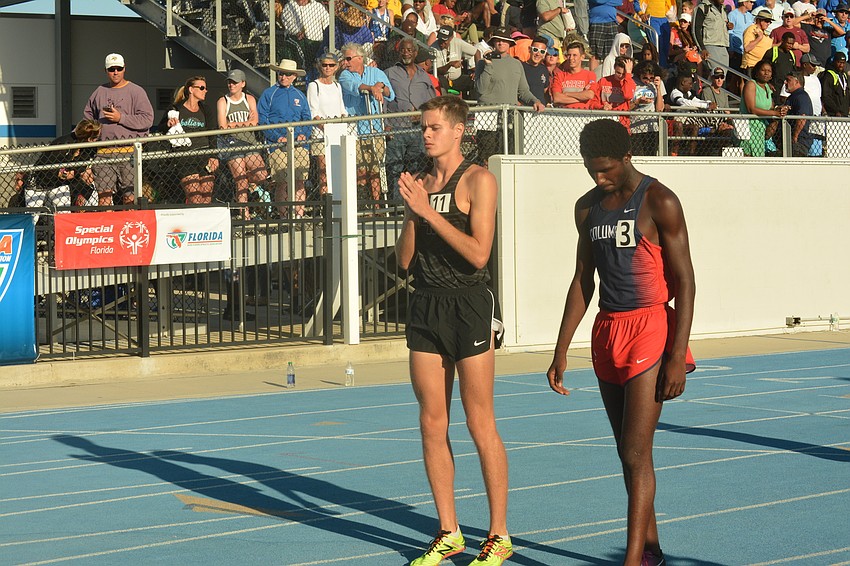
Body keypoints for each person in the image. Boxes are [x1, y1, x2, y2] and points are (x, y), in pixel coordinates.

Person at [547, 118, 696, 566]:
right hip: (607, 330)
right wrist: (560, 348)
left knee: (636, 451)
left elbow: (686, 282)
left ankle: (632, 559)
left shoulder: (659, 200)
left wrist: (676, 355)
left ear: (628, 156)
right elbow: (582, 280)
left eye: (607, 169)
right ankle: (651, 550)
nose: (599, 177)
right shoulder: (586, 208)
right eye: (591, 169)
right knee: (626, 454)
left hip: (650, 327)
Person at [395, 95, 511, 566]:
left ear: (458, 131)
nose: (426, 134)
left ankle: (499, 534)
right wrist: (411, 213)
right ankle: (449, 531)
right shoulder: (422, 184)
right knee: (430, 423)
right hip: (425, 304)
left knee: (479, 421)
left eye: (435, 127)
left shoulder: (479, 180)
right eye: (424, 127)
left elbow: (479, 254)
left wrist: (429, 213)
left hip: (468, 303)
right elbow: (403, 262)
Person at [83, 53, 154, 206]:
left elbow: (147, 119)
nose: (115, 72)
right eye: (111, 69)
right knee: (104, 199)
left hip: (129, 152)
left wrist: (120, 118)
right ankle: (109, 228)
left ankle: (128, 228)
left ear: (124, 69)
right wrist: (92, 133)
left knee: (130, 199)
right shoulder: (99, 92)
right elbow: (87, 118)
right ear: (106, 71)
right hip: (103, 153)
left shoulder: (136, 91)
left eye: (119, 68)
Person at [474, 27, 545, 163]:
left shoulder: (517, 64)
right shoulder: (482, 63)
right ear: (493, 43)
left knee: (507, 158)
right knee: (486, 160)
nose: (501, 43)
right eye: (498, 40)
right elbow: (480, 90)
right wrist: (488, 65)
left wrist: (535, 101)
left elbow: (523, 91)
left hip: (509, 117)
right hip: (487, 115)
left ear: (510, 44)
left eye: (504, 41)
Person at [339, 42, 396, 204]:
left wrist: (381, 86)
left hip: (375, 127)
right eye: (345, 59)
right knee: (360, 169)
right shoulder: (345, 75)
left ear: (360, 58)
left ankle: (377, 205)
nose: (346, 62)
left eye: (349, 58)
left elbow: (390, 93)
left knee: (376, 167)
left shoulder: (376, 72)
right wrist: (372, 88)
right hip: (355, 129)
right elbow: (354, 87)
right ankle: (363, 205)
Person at [258, 59, 312, 219]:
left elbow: (307, 118)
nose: (283, 77)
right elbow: (263, 120)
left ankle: (299, 216)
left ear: (294, 76)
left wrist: (305, 134)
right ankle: (284, 216)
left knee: (300, 180)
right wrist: (277, 138)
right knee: (282, 182)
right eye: (281, 73)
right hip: (278, 145)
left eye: (288, 74)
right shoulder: (269, 93)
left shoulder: (299, 95)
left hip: (300, 145)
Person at [385, 39, 438, 198]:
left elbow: (431, 102)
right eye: (403, 50)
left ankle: (414, 201)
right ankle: (396, 206)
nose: (406, 53)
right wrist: (386, 124)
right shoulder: (389, 73)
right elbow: (383, 102)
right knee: (395, 167)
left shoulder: (424, 76)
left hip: (418, 128)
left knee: (417, 167)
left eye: (409, 50)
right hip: (397, 127)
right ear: (398, 51)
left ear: (415, 53)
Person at [156, 76, 218, 204]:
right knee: (195, 198)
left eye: (205, 88)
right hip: (185, 156)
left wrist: (213, 156)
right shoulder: (176, 108)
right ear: (191, 89)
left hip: (204, 154)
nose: (205, 91)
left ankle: (203, 224)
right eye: (201, 88)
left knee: (206, 198)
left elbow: (213, 134)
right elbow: (160, 128)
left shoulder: (206, 109)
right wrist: (168, 124)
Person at [217, 69, 268, 220]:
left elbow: (254, 122)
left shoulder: (249, 98)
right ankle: (245, 216)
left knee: (262, 174)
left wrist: (234, 124)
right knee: (240, 181)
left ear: (243, 84)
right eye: (229, 82)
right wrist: (244, 123)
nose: (231, 85)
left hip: (249, 141)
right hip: (231, 143)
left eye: (235, 82)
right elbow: (222, 126)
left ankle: (250, 187)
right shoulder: (223, 101)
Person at [25, 119, 101, 215]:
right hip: (39, 182)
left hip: (60, 184)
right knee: (33, 216)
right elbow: (46, 168)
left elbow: (81, 165)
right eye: (96, 138)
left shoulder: (90, 148)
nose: (98, 140)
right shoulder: (63, 143)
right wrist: (64, 175)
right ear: (89, 138)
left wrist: (75, 172)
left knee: (63, 213)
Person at [306, 51, 348, 196]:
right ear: (320, 66)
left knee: (339, 170)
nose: (328, 68)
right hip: (320, 135)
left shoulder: (337, 86)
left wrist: (340, 125)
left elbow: (343, 109)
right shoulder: (314, 86)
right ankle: (326, 206)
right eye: (324, 65)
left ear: (336, 67)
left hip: (337, 134)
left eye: (331, 65)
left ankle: (339, 200)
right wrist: (327, 128)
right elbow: (313, 113)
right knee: (324, 172)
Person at [738, 59, 787, 156]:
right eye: (763, 70)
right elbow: (751, 109)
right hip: (748, 128)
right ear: (756, 73)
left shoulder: (768, 88)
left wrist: (779, 109)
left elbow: (770, 108)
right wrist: (774, 113)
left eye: (769, 71)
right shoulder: (751, 85)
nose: (766, 73)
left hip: (761, 128)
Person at [630, 61, 666, 155]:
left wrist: (658, 88)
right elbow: (626, 107)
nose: (648, 81)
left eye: (651, 78)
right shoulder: (632, 82)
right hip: (635, 126)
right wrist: (637, 102)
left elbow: (659, 109)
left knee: (651, 155)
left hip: (652, 127)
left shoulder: (656, 84)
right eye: (645, 77)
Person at [551, 41, 598, 108]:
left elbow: (590, 95)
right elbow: (557, 98)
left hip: (583, 114)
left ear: (582, 57)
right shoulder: (560, 75)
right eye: (569, 55)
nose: (571, 58)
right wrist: (582, 98)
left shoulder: (590, 75)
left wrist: (567, 94)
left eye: (574, 55)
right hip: (564, 114)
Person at [693, 0, 733, 69]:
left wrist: (729, 25)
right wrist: (702, 48)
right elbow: (695, 30)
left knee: (723, 76)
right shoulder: (703, 7)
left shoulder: (723, 9)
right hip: (710, 45)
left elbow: (723, 23)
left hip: (723, 45)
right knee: (716, 73)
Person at [783, 70, 815, 154]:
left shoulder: (801, 96)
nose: (785, 82)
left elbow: (802, 117)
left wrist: (795, 136)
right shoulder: (792, 97)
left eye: (788, 80)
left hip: (799, 141)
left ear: (797, 81)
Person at [588, 0, 623, 70]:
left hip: (612, 22)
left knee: (611, 54)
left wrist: (603, 2)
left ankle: (609, 78)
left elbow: (619, 2)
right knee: (595, 54)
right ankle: (593, 79)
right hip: (596, 22)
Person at [742, 8, 776, 72]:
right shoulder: (751, 29)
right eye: (766, 21)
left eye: (770, 22)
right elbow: (747, 48)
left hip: (761, 67)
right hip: (751, 66)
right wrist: (759, 38)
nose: (768, 23)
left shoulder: (764, 33)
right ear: (759, 20)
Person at [523, 36, 553, 104]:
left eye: (542, 51)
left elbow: (545, 91)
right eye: (535, 50)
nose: (538, 54)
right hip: (524, 110)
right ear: (529, 49)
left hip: (540, 111)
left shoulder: (544, 69)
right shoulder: (521, 67)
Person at [819, 51, 850, 115]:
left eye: (843, 63)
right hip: (833, 114)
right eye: (839, 62)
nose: (841, 65)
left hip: (844, 113)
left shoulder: (844, 75)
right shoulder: (828, 75)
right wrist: (836, 110)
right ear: (834, 61)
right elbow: (826, 96)